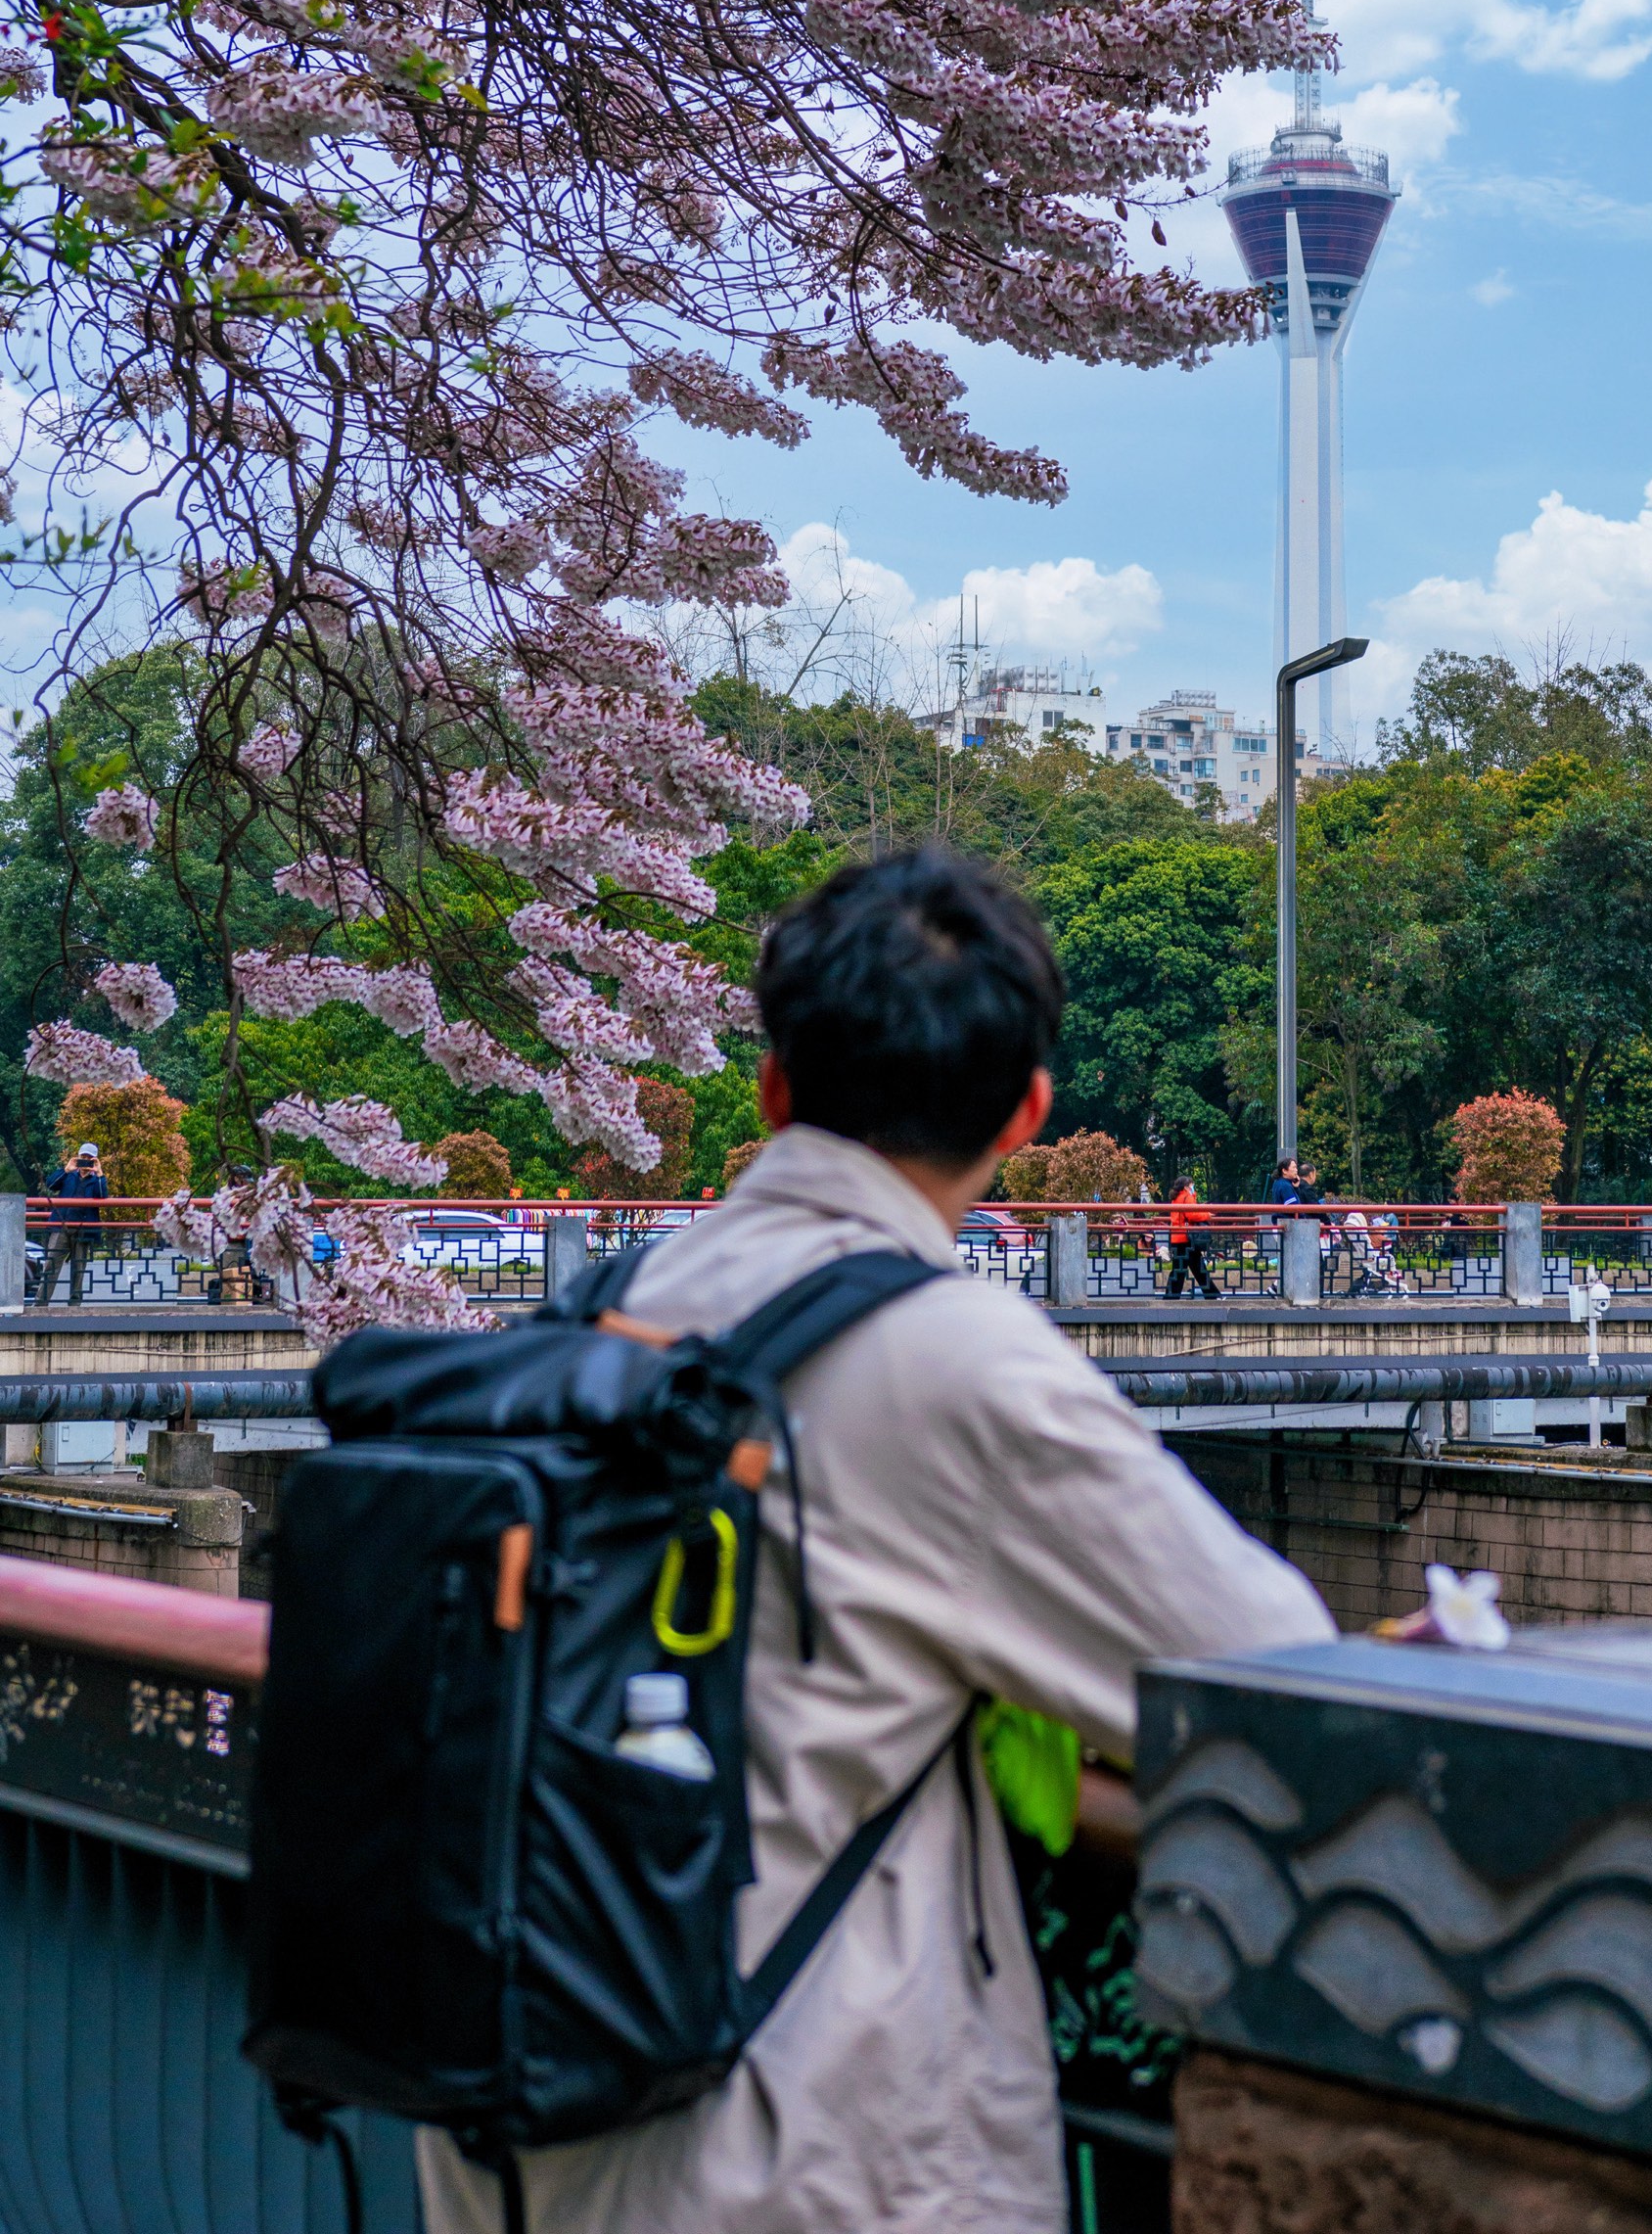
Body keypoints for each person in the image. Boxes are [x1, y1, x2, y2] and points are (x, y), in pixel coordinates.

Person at [416, 846, 1334, 2234]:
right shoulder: (959, 1362)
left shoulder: (611, 1303)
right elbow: (1284, 1687)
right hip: (797, 2154)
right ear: (1024, 1113)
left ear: (774, 1086)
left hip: (511, 2120)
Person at [39, 1140, 107, 1303]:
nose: (85, 1160)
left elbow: (102, 1196)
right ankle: (41, 1302)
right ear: (77, 1157)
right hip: (61, 1226)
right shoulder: (69, 1175)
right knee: (51, 1265)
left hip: (84, 1229)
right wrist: (66, 1169)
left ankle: (75, 1304)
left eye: (89, 1157)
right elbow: (51, 1185)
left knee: (79, 1269)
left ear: (94, 1160)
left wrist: (99, 1173)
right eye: (83, 1156)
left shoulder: (96, 1179)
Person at [1163, 1172, 1220, 1299]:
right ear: (1186, 1186)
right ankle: (1213, 1296)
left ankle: (1171, 1298)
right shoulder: (1187, 1196)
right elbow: (1192, 1215)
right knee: (1197, 1269)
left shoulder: (1176, 1198)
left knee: (1182, 1270)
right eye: (1191, 1184)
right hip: (1187, 1239)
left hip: (1177, 1238)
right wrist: (1207, 1215)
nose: (1193, 1186)